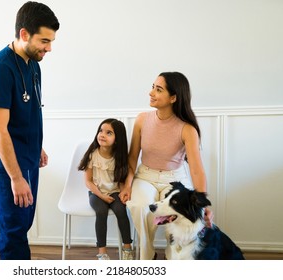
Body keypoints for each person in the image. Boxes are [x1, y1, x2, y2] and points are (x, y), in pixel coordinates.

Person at [0, 1, 59, 260]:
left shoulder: (33, 64)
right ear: (24, 34)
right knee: (13, 233)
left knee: (23, 224)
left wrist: (37, 146)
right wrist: (15, 178)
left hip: (28, 157)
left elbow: (29, 110)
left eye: (51, 41)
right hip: (7, 166)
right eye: (44, 41)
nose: (49, 48)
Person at [120, 72, 213, 260]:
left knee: (177, 212)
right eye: (153, 86)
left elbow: (196, 169)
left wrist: (202, 204)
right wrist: (127, 185)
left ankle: (172, 259)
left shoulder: (187, 129)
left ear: (173, 97)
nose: (151, 92)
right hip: (145, 176)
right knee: (139, 207)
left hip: (175, 179)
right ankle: (147, 257)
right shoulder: (142, 120)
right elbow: (131, 159)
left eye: (158, 89)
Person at [78, 118, 134, 260]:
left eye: (109, 133)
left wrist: (123, 192)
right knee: (101, 211)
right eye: (101, 131)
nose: (102, 135)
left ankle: (127, 248)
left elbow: (121, 180)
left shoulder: (119, 157)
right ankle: (102, 253)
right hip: (96, 192)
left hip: (114, 191)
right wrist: (102, 196)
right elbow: (88, 182)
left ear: (117, 139)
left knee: (121, 210)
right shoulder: (92, 154)